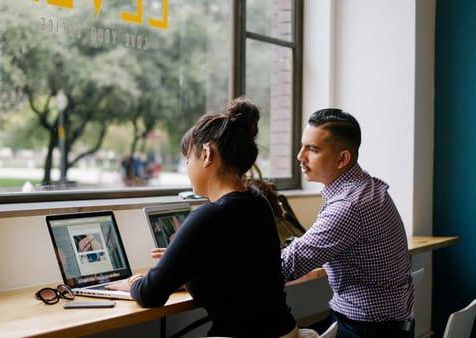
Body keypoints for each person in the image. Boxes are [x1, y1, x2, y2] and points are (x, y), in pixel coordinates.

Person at [108, 97, 301, 337]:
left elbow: (150, 295)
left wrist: (134, 281)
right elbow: (237, 273)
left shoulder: (210, 216)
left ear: (207, 154)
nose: (188, 167)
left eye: (188, 158)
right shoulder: (257, 202)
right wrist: (181, 266)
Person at [281, 108, 415, 338]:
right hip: (390, 322)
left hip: (368, 328)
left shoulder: (349, 205)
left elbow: (288, 266)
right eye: (302, 146)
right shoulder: (367, 187)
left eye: (312, 149)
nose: (300, 156)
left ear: (343, 158)